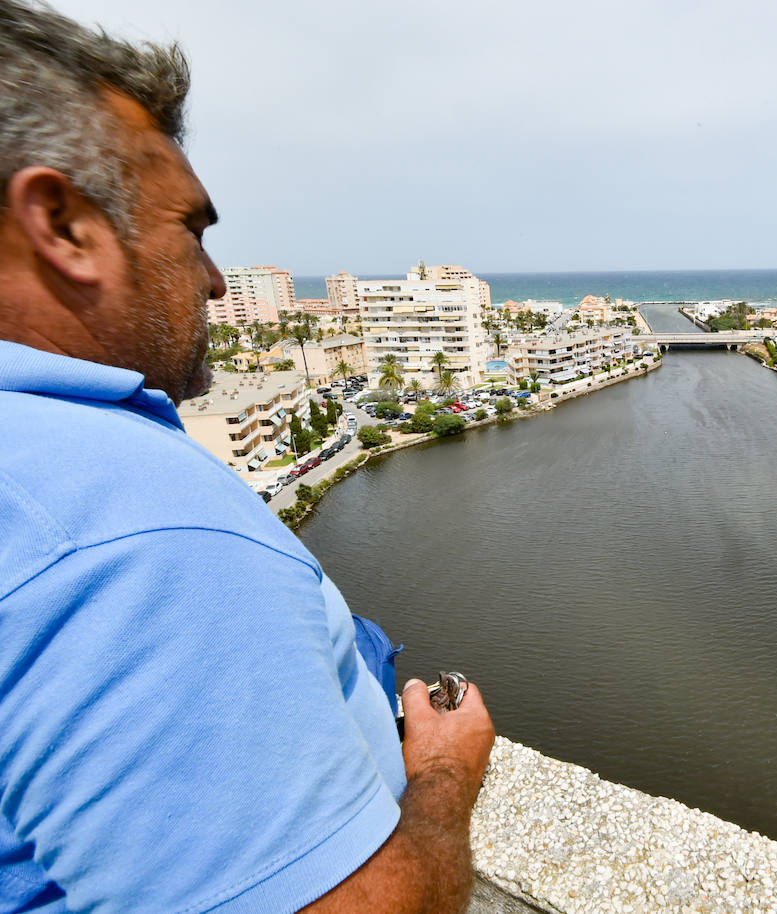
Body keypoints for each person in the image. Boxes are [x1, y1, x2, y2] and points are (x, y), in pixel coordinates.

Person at [0, 2, 493, 911]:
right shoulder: (128, 528)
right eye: (192, 227)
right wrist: (444, 777)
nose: (217, 279)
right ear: (62, 225)